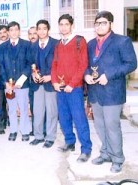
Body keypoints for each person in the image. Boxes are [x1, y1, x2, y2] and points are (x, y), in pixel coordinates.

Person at [85, 11, 137, 173]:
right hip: (95, 92)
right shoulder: (91, 44)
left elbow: (131, 64)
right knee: (100, 126)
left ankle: (117, 158)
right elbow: (87, 64)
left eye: (103, 22)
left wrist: (109, 75)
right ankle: (105, 153)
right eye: (97, 23)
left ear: (110, 24)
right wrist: (86, 74)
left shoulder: (122, 41)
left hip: (112, 92)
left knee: (112, 126)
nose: (100, 26)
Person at [51, 14, 92, 163]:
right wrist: (55, 81)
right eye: (61, 24)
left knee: (79, 118)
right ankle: (70, 142)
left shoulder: (80, 41)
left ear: (71, 25)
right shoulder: (58, 44)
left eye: (66, 24)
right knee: (64, 117)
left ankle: (86, 149)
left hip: (74, 89)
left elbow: (83, 65)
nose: (63, 27)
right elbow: (54, 64)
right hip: (60, 88)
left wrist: (72, 84)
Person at [0, 21, 31, 142]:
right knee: (11, 109)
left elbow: (29, 64)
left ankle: (25, 131)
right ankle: (13, 130)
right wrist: (6, 82)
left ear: (19, 31)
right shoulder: (2, 47)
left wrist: (22, 79)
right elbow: (0, 66)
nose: (13, 32)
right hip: (9, 85)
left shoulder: (27, 45)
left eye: (16, 29)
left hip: (23, 83)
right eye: (11, 30)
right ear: (8, 32)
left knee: (23, 108)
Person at [29, 20, 59, 148]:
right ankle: (38, 136)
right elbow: (30, 63)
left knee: (52, 111)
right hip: (37, 84)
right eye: (39, 29)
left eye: (44, 28)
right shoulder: (33, 45)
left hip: (50, 83)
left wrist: (51, 77)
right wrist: (33, 74)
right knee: (37, 111)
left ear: (48, 30)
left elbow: (60, 64)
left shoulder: (56, 44)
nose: (41, 31)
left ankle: (50, 137)